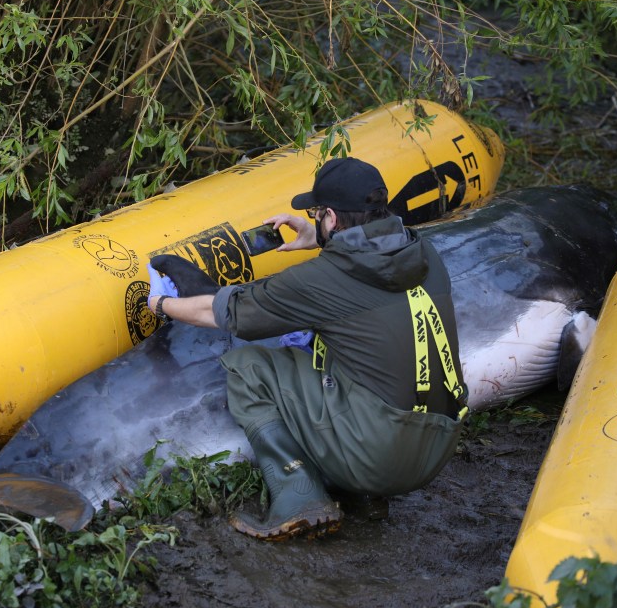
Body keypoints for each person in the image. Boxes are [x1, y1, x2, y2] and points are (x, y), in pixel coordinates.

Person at [146, 156, 468, 541]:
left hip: (382, 456)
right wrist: (317, 238)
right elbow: (367, 264)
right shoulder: (422, 252)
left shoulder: (321, 280)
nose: (314, 218)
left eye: (316, 213)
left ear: (331, 217)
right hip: (440, 442)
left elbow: (225, 312)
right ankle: (362, 493)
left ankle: (298, 496)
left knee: (248, 366)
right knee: (337, 351)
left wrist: (160, 304)